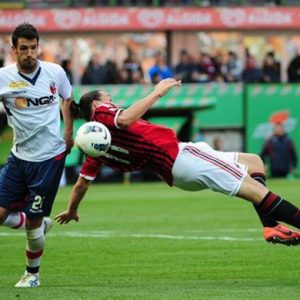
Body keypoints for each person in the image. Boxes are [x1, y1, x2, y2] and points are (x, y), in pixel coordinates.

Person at [55, 78, 300, 250]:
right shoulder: (101, 113)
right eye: (110, 99)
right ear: (97, 105)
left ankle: (270, 226)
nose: (114, 103)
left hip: (179, 166)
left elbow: (81, 185)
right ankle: (273, 225)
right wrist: (157, 92)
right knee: (257, 191)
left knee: (254, 162)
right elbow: (127, 119)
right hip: (181, 158)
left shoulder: (95, 149)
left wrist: (72, 209)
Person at [0, 23, 74, 287]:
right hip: (19, 157)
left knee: (33, 222)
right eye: (24, 48)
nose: (30, 53)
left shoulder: (55, 72)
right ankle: (32, 222)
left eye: (33, 47)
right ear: (14, 50)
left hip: (49, 159)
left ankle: (32, 275)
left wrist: (68, 131)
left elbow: (68, 98)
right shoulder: (3, 77)